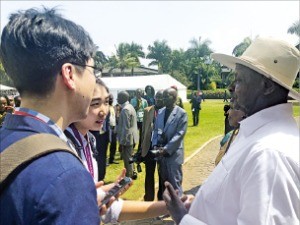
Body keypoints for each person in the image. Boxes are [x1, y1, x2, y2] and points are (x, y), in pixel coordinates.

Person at [163, 37, 300, 224]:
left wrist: (183, 218)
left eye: (239, 80)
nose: (230, 88)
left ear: (267, 86)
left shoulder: (270, 155)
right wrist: (202, 206)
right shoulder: (259, 135)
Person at [0, 7, 104, 224]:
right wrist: (73, 198)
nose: (94, 80)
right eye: (92, 70)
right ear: (69, 74)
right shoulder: (65, 176)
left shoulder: (6, 138)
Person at [152, 88, 188, 200]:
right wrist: (155, 145)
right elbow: (156, 130)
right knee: (164, 183)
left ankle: (179, 210)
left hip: (173, 153)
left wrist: (166, 149)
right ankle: (166, 208)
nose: (164, 98)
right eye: (164, 96)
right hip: (161, 154)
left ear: (174, 98)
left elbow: (180, 134)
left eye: (167, 96)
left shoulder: (181, 114)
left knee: (175, 184)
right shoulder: (161, 112)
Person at [140, 90, 165, 201]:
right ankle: (148, 200)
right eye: (157, 97)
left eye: (161, 97)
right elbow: (143, 131)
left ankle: (161, 201)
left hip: (162, 149)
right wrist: (141, 149)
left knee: (162, 177)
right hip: (149, 148)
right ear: (154, 98)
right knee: (149, 175)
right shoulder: (147, 111)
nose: (159, 99)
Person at [117, 91, 139, 179]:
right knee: (131, 157)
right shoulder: (130, 106)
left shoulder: (125, 110)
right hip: (132, 137)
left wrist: (121, 143)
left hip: (127, 139)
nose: (117, 99)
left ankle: (128, 178)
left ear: (122, 98)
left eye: (118, 97)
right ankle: (133, 173)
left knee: (127, 160)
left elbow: (125, 128)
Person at [108, 93, 119, 164]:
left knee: (114, 144)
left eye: (112, 99)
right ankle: (104, 160)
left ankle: (111, 159)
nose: (111, 100)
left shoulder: (112, 107)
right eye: (110, 99)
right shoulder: (106, 107)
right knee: (106, 144)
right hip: (108, 128)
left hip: (113, 127)